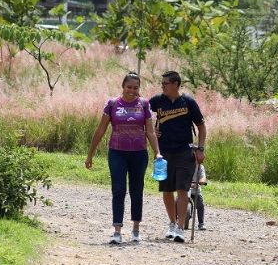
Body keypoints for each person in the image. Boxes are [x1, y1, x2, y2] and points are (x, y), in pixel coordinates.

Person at [85, 72, 162, 244]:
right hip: (117, 152)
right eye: (129, 87)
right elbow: (100, 130)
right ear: (123, 86)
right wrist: (90, 154)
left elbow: (149, 131)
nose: (132, 91)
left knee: (137, 190)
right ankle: (117, 231)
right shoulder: (112, 104)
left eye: (136, 88)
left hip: (139, 153)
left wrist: (157, 152)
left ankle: (136, 229)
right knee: (118, 190)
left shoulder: (144, 104)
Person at [149, 70, 206, 242]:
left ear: (175, 84)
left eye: (166, 83)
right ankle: (172, 223)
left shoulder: (188, 102)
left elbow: (201, 126)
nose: (162, 86)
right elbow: (142, 113)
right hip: (164, 152)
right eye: (162, 83)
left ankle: (181, 228)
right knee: (167, 190)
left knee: (182, 189)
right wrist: (151, 130)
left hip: (185, 151)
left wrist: (201, 149)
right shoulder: (157, 101)